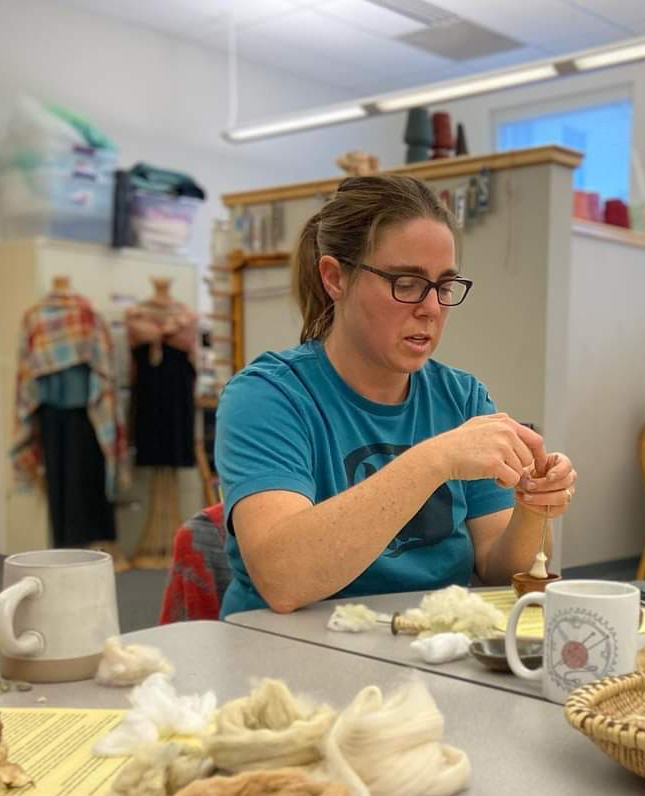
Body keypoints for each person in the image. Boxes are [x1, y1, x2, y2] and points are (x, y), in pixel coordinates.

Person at [216, 174, 577, 617]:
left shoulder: (462, 398)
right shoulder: (268, 396)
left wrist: (533, 507)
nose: (431, 308)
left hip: (429, 651)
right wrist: (435, 460)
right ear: (335, 278)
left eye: (444, 286)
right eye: (406, 282)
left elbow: (501, 572)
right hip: (287, 660)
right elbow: (284, 580)